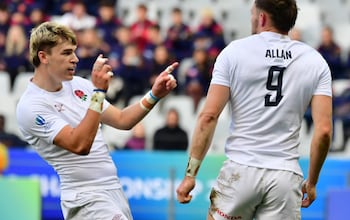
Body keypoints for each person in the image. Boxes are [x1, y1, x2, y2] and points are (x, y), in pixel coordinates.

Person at [176, 1, 332, 219]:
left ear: (261, 18)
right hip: (285, 176)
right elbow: (324, 130)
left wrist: (191, 174)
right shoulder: (315, 61)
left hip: (241, 170)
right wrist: (312, 181)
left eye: (252, 13)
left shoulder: (234, 52)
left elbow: (208, 116)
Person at [16, 21, 178, 220]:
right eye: (66, 53)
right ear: (43, 56)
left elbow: (122, 119)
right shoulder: (31, 106)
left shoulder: (79, 85)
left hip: (113, 190)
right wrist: (99, 92)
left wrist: (154, 94)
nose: (75, 59)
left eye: (74, 52)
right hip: (85, 197)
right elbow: (80, 144)